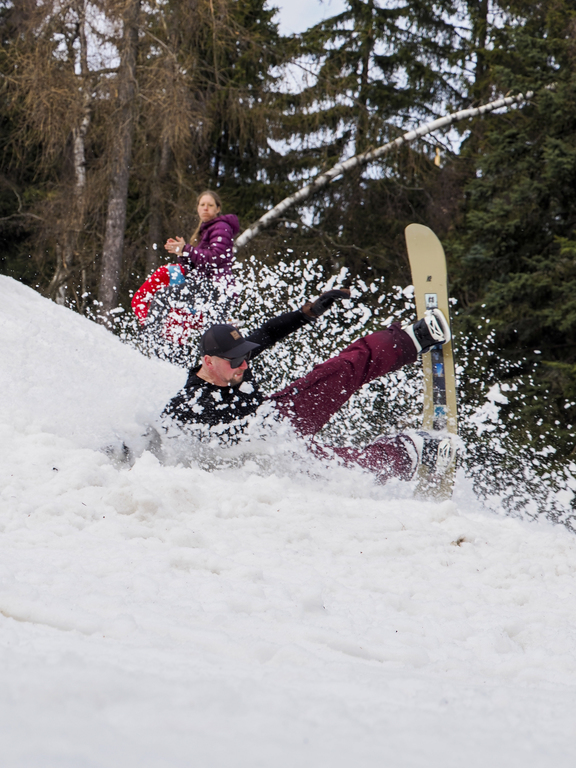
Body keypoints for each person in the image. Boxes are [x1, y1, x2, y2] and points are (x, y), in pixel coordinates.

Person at [160, 290, 456, 482]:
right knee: (347, 471)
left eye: (245, 357)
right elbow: (159, 439)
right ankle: (412, 449)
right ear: (208, 362)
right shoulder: (189, 403)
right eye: (236, 361)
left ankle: (414, 338)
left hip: (279, 414)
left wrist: (306, 313)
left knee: (341, 370)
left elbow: (268, 332)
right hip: (271, 457)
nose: (244, 365)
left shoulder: (233, 362)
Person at [131, 190, 239, 358]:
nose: (205, 208)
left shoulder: (221, 227)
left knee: (163, 297)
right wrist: (182, 253)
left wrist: (187, 250)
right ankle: (175, 355)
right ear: (197, 208)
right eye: (202, 205)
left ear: (218, 209)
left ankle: (150, 343)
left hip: (216, 287)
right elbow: (197, 264)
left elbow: (215, 258)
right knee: (211, 337)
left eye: (210, 205)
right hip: (210, 287)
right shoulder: (206, 230)